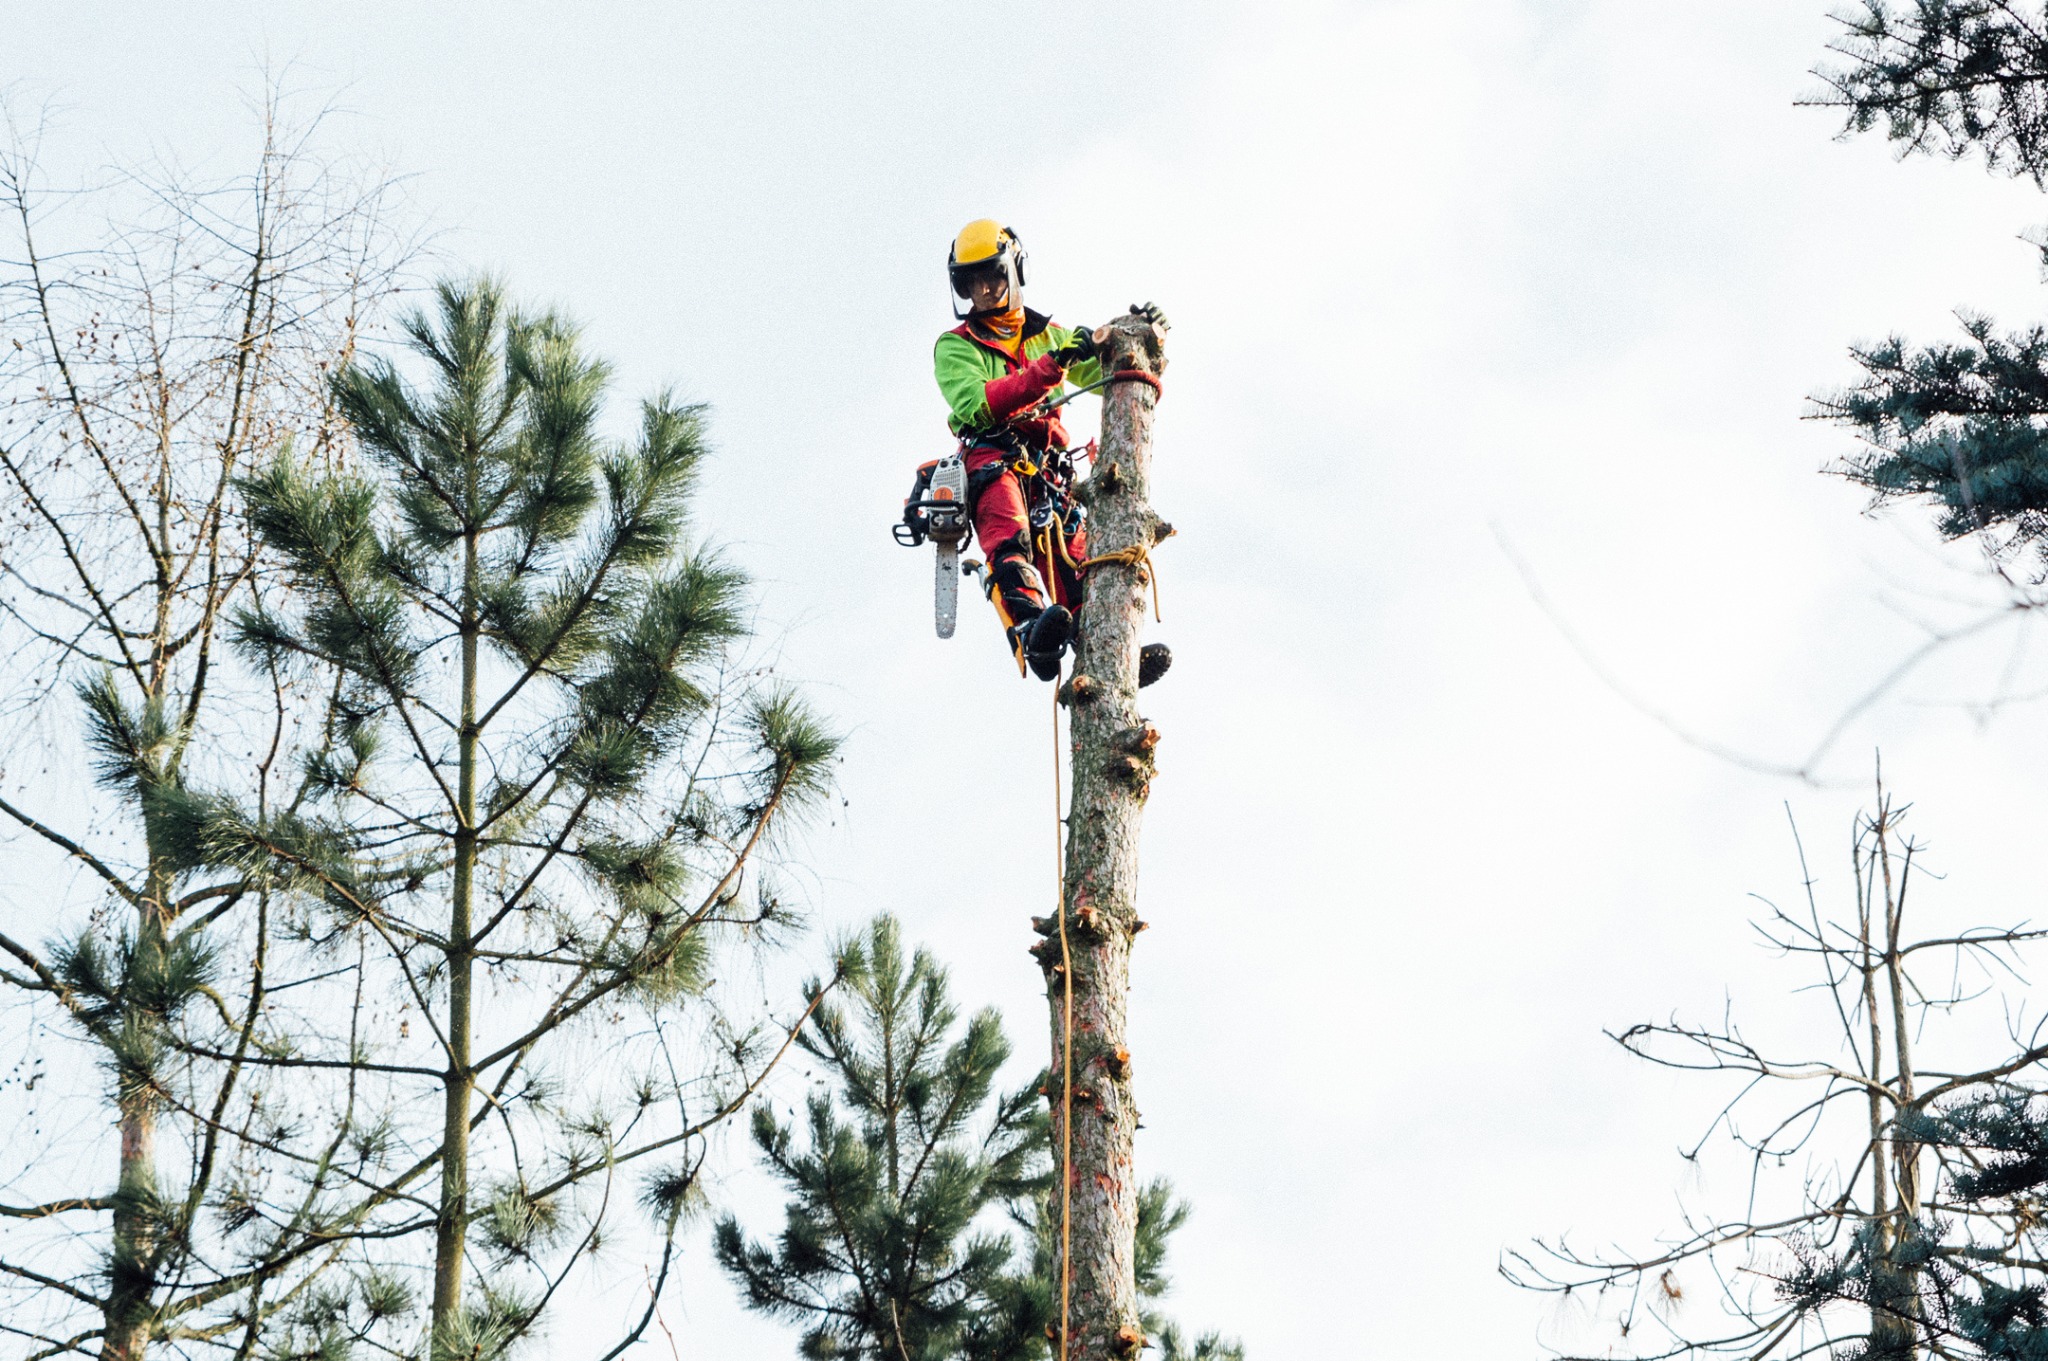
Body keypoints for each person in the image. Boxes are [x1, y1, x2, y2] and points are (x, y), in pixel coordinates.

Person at [932, 218, 1168, 681]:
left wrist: (1145, 340)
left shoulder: (1048, 335)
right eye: (972, 281)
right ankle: (1030, 630)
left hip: (1050, 472)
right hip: (994, 458)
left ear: (1014, 271)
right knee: (1010, 536)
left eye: (992, 276)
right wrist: (1050, 368)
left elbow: (1113, 379)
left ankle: (1112, 649)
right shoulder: (955, 347)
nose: (982, 290)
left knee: (1079, 558)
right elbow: (980, 404)